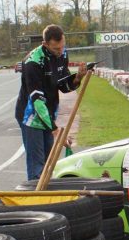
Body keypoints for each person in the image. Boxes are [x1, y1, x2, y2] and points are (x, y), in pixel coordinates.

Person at [15, 24, 87, 180]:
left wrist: (78, 78)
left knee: (49, 165)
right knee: (37, 167)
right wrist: (55, 130)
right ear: (45, 44)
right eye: (56, 49)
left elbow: (63, 86)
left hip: (48, 113)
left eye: (62, 47)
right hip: (31, 116)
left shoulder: (62, 54)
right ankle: (37, 198)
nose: (60, 51)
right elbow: (37, 101)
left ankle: (47, 195)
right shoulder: (33, 62)